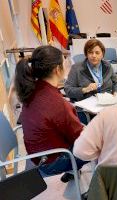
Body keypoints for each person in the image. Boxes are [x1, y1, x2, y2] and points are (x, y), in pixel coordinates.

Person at [14, 45, 87, 182]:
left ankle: (72, 172)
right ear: (57, 69)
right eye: (64, 61)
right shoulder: (57, 103)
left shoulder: (32, 89)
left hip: (38, 155)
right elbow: (80, 139)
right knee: (98, 146)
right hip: (52, 162)